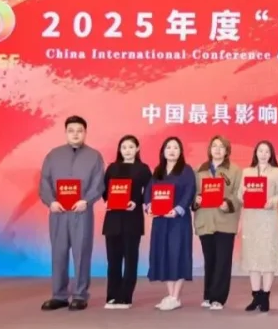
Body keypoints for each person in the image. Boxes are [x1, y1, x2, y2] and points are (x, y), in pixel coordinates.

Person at [38, 115, 105, 312]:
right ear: (66, 132)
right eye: (71, 131)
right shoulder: (53, 155)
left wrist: (87, 201)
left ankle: (80, 295)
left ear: (85, 133)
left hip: (81, 211)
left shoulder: (94, 156)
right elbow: (45, 181)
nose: (75, 134)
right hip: (58, 212)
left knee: (82, 252)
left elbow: (98, 183)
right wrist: (51, 201)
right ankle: (59, 295)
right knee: (58, 253)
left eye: (79, 131)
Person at [145, 136, 197, 311]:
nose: (172, 151)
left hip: (178, 221)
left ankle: (175, 296)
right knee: (164, 255)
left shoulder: (186, 170)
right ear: (163, 151)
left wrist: (177, 209)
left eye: (176, 148)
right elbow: (148, 192)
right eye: (168, 147)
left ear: (180, 151)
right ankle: (170, 295)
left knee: (178, 254)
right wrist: (149, 207)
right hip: (160, 221)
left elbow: (190, 191)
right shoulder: (158, 171)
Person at [101, 134, 152, 309]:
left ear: (137, 149)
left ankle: (126, 297)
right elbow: (104, 190)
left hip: (132, 217)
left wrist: (136, 202)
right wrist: (107, 200)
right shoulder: (112, 168)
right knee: (113, 260)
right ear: (119, 150)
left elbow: (149, 191)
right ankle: (112, 296)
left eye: (131, 147)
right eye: (124, 147)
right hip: (113, 218)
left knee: (130, 259)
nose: (127, 150)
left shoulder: (143, 169)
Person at [194, 135, 242, 310]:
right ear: (209, 149)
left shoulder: (235, 170)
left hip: (225, 221)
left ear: (227, 150)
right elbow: (193, 192)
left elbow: (239, 194)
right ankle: (208, 295)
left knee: (223, 260)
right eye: (214, 146)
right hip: (205, 219)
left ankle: (218, 298)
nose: (217, 149)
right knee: (210, 260)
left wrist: (228, 203)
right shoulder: (199, 169)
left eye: (221, 146)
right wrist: (196, 199)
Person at [241, 140, 278, 313]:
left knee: (268, 258)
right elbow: (239, 196)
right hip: (251, 219)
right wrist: (244, 192)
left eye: (267, 151)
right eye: (261, 151)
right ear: (256, 153)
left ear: (271, 154)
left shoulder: (277, 172)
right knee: (253, 258)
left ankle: (265, 296)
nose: (264, 154)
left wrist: (272, 201)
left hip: (268, 219)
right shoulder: (247, 172)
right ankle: (255, 296)